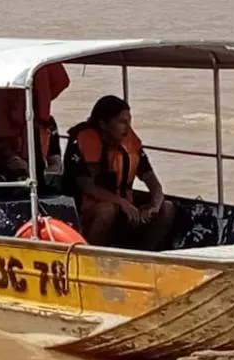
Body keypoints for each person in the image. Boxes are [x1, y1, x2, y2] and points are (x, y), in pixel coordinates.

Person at [63, 95, 175, 250]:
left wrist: (155, 205)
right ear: (103, 124)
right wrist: (121, 202)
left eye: (129, 121)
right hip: (87, 211)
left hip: (126, 207)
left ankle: (146, 254)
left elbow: (152, 181)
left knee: (167, 208)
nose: (127, 128)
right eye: (121, 122)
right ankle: (91, 255)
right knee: (106, 210)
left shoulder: (130, 144)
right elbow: (87, 186)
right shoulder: (82, 142)